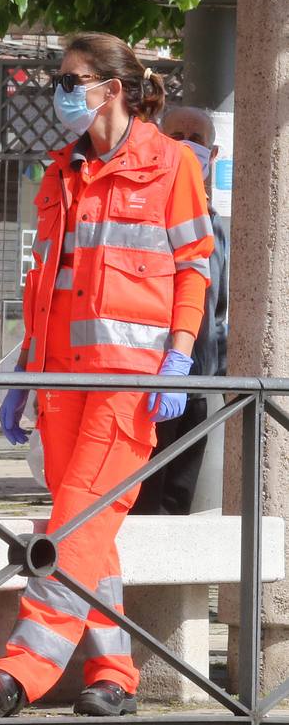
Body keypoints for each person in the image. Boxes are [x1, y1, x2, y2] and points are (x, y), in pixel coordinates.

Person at [0, 33, 214, 718]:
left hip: (124, 384)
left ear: (112, 88)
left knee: (72, 522)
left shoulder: (169, 165)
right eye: (59, 78)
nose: (60, 90)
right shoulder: (58, 171)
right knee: (91, 535)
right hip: (58, 383)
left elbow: (194, 265)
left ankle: (20, 671)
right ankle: (114, 676)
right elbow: (46, 280)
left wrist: (179, 354)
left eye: (72, 79)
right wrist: (23, 370)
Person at [131, 106, 229, 515]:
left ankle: (170, 583)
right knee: (144, 502)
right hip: (155, 378)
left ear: (214, 152)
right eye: (178, 134)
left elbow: (220, 309)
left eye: (198, 138)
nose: (189, 144)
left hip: (197, 384)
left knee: (177, 503)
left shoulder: (218, 226)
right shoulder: (150, 215)